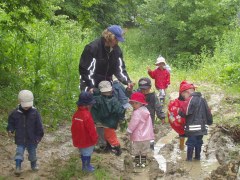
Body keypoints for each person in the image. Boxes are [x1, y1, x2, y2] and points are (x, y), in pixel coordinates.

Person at [79, 25, 133, 93]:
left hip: (106, 85)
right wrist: (90, 87)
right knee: (91, 102)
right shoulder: (92, 48)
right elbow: (85, 70)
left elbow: (120, 69)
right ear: (109, 37)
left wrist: (127, 81)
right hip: (89, 84)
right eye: (116, 39)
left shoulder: (117, 50)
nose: (117, 42)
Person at [7, 90, 44, 176]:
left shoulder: (35, 113)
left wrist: (38, 137)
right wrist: (10, 130)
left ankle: (33, 165)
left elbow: (39, 126)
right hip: (20, 138)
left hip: (32, 139)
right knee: (19, 152)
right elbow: (11, 123)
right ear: (19, 101)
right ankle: (18, 167)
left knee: (32, 154)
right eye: (25, 105)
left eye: (28, 105)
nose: (27, 107)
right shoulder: (15, 113)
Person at [178, 81, 213, 161]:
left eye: (184, 95)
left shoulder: (190, 100)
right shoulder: (203, 99)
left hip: (192, 128)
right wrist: (210, 121)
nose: (184, 98)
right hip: (202, 128)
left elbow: (185, 112)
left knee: (190, 143)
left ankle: (189, 159)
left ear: (187, 92)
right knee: (198, 142)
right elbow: (208, 112)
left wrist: (179, 111)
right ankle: (197, 157)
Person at [91, 81, 125, 156]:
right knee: (105, 135)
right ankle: (106, 147)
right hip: (108, 122)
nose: (107, 93)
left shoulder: (98, 99)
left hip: (101, 121)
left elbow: (93, 105)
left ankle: (117, 148)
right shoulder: (113, 100)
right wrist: (121, 118)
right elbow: (120, 110)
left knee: (108, 135)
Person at [71, 91, 98, 172]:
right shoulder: (87, 115)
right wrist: (95, 138)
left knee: (83, 153)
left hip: (79, 139)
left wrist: (75, 137)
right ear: (88, 105)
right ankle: (86, 167)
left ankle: (86, 165)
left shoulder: (76, 114)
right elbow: (91, 129)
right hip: (87, 140)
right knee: (87, 153)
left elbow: (73, 127)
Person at [127, 92, 154, 168]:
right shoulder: (146, 111)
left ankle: (137, 164)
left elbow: (133, 123)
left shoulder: (137, 113)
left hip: (138, 137)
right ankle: (142, 163)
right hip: (147, 136)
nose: (133, 105)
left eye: (135, 103)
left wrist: (129, 131)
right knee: (144, 151)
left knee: (137, 151)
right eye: (132, 103)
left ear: (140, 103)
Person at [138, 77, 165, 150]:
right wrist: (128, 90)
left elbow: (158, 106)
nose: (144, 91)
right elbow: (129, 95)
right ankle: (141, 148)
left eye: (146, 89)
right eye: (142, 89)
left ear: (150, 87)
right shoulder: (137, 94)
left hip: (149, 118)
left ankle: (151, 149)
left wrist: (162, 116)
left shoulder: (153, 96)